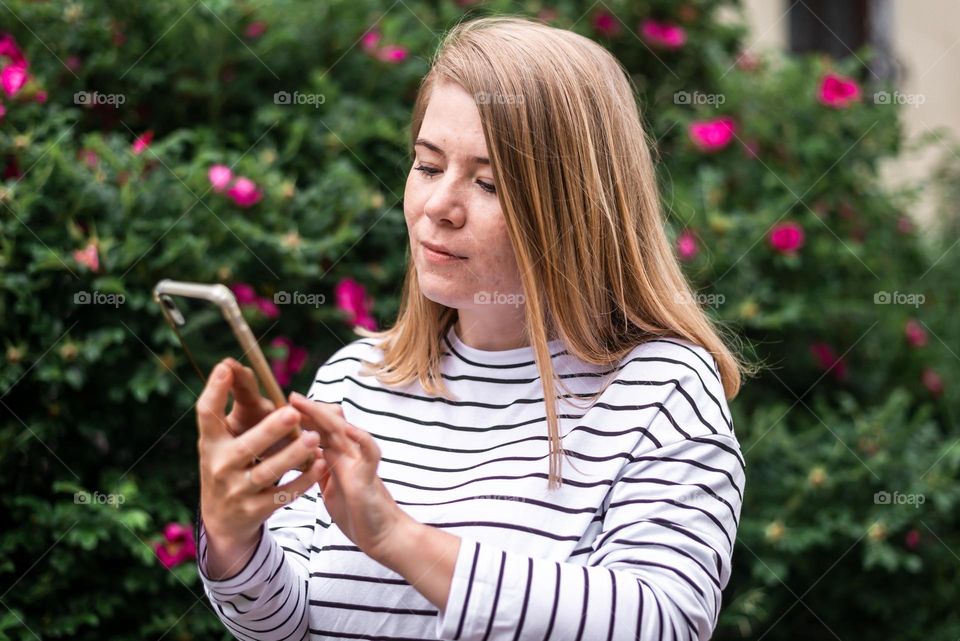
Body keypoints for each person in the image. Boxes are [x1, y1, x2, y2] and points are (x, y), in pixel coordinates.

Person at [194, 15, 751, 641]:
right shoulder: (354, 381)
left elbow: (663, 623)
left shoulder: (659, 391)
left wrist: (397, 537)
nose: (438, 207)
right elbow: (280, 627)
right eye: (428, 167)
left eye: (486, 183)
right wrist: (233, 538)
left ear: (572, 209)